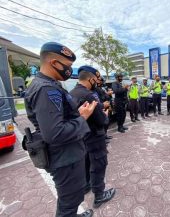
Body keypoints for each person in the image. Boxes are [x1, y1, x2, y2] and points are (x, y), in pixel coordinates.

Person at [24, 42, 95, 217]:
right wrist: (82, 118)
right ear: (54, 63)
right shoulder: (46, 89)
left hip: (67, 155)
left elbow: (57, 118)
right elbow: (55, 133)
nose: (70, 71)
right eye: (68, 66)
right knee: (68, 203)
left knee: (73, 197)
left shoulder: (49, 84)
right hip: (64, 158)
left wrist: (76, 114)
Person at [70, 66, 116, 209]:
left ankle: (86, 185)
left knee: (86, 161)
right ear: (90, 79)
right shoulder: (89, 95)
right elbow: (101, 120)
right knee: (99, 164)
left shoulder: (72, 92)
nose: (97, 82)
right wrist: (105, 114)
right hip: (95, 135)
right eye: (95, 79)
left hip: (82, 135)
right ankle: (99, 195)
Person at [94, 76, 113, 140]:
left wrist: (109, 105)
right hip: (102, 107)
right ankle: (103, 138)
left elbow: (107, 97)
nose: (102, 82)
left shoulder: (103, 88)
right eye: (101, 80)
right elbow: (101, 98)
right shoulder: (96, 89)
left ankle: (105, 135)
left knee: (107, 122)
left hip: (107, 106)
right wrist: (107, 94)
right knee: (103, 123)